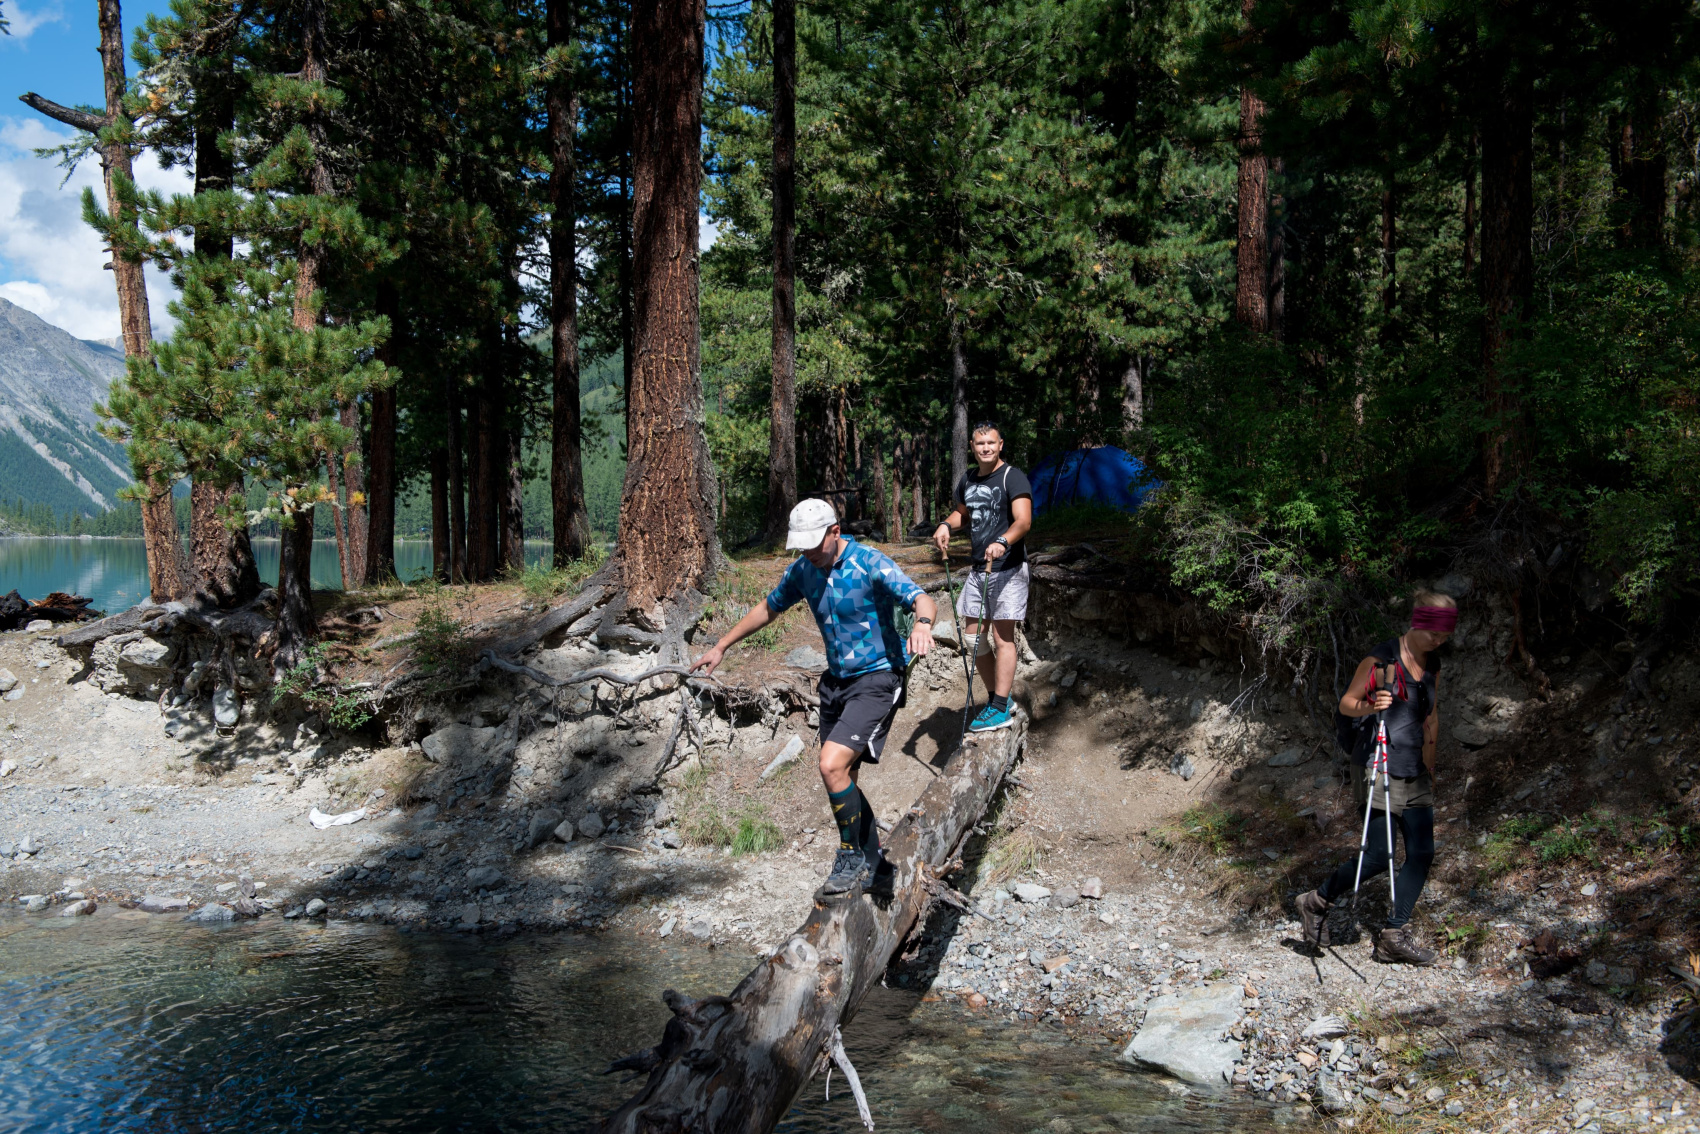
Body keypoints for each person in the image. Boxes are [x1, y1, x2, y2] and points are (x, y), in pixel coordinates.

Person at [691, 499, 938, 896]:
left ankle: (848, 854)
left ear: (835, 532)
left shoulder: (870, 563)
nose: (807, 551)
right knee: (844, 778)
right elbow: (769, 609)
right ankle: (876, 865)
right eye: (800, 544)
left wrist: (923, 625)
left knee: (830, 765)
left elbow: (922, 598)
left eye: (813, 543)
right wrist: (721, 646)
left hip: (877, 677)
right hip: (836, 683)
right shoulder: (804, 569)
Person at [1296, 591, 1458, 965]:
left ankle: (1393, 935)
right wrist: (1372, 704)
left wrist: (1430, 769)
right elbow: (1346, 703)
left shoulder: (1433, 664)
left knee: (1421, 852)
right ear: (1418, 622)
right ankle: (1316, 900)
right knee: (1377, 855)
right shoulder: (1380, 659)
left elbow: (1431, 717)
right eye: (1434, 633)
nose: (1439, 641)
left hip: (1414, 769)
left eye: (1445, 636)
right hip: (1377, 765)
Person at [932, 421, 1032, 732]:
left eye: (991, 442)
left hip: (1008, 569)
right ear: (972, 448)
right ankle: (996, 699)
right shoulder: (968, 479)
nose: (985, 448)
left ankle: (1000, 707)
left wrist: (1003, 541)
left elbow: (1023, 520)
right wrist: (947, 525)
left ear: (1000, 444)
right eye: (979, 444)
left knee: (1003, 639)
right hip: (979, 569)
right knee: (974, 638)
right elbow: (964, 511)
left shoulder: (1012, 476)